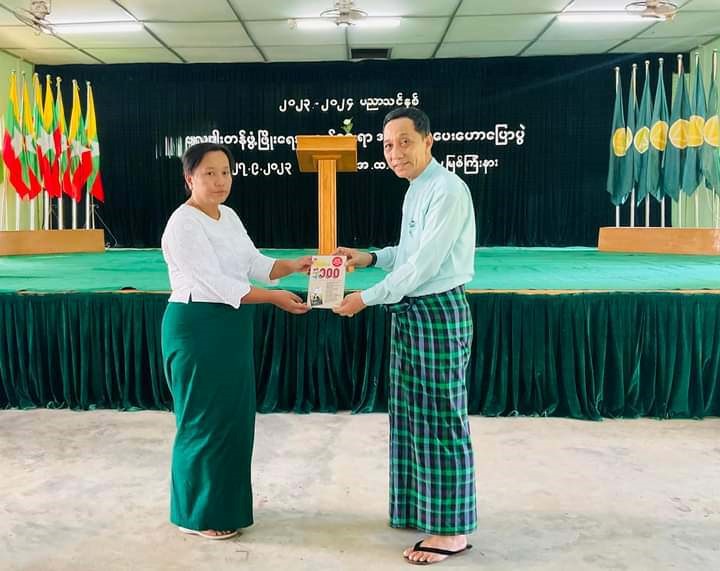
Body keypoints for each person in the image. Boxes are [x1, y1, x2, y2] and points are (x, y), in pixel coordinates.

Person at [333, 107, 477, 565]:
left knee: (442, 420)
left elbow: (424, 267)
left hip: (438, 313)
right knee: (413, 417)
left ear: (428, 140)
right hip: (412, 314)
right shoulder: (417, 188)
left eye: (404, 142)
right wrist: (370, 258)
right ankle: (422, 510)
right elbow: (408, 253)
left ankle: (452, 532)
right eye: (388, 145)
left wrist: (365, 297)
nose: (394, 153)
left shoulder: (448, 189)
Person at [161, 142, 311, 540]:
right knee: (203, 420)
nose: (219, 181)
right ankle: (196, 514)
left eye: (225, 172)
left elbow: (254, 264)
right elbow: (217, 284)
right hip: (197, 327)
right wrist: (275, 298)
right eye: (208, 173)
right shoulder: (183, 223)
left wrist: (295, 265)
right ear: (189, 178)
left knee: (232, 420)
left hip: (231, 327)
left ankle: (223, 507)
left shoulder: (227, 216)